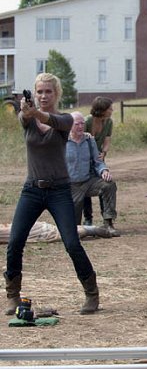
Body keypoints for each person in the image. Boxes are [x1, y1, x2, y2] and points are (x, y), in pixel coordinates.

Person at [4, 73, 100, 316]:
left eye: (48, 92)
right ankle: (13, 295)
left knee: (71, 243)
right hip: (32, 189)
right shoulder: (27, 118)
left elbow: (54, 121)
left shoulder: (66, 120)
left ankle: (91, 292)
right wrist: (28, 110)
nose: (43, 96)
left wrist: (35, 112)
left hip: (59, 190)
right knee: (15, 241)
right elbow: (26, 117)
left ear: (57, 94)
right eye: (39, 92)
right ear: (34, 94)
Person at [67, 111, 119, 237]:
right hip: (71, 186)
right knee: (74, 230)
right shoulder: (62, 142)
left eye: (82, 124)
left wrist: (104, 170)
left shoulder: (89, 140)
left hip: (88, 182)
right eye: (76, 124)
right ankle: (87, 228)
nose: (80, 127)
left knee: (108, 184)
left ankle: (108, 223)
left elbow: (98, 162)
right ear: (69, 125)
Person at [83, 96, 114, 226]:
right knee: (84, 188)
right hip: (84, 159)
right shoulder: (86, 121)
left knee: (105, 184)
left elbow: (107, 140)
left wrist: (104, 153)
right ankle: (88, 219)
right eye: (110, 108)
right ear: (102, 110)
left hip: (99, 158)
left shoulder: (109, 122)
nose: (112, 110)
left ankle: (106, 218)